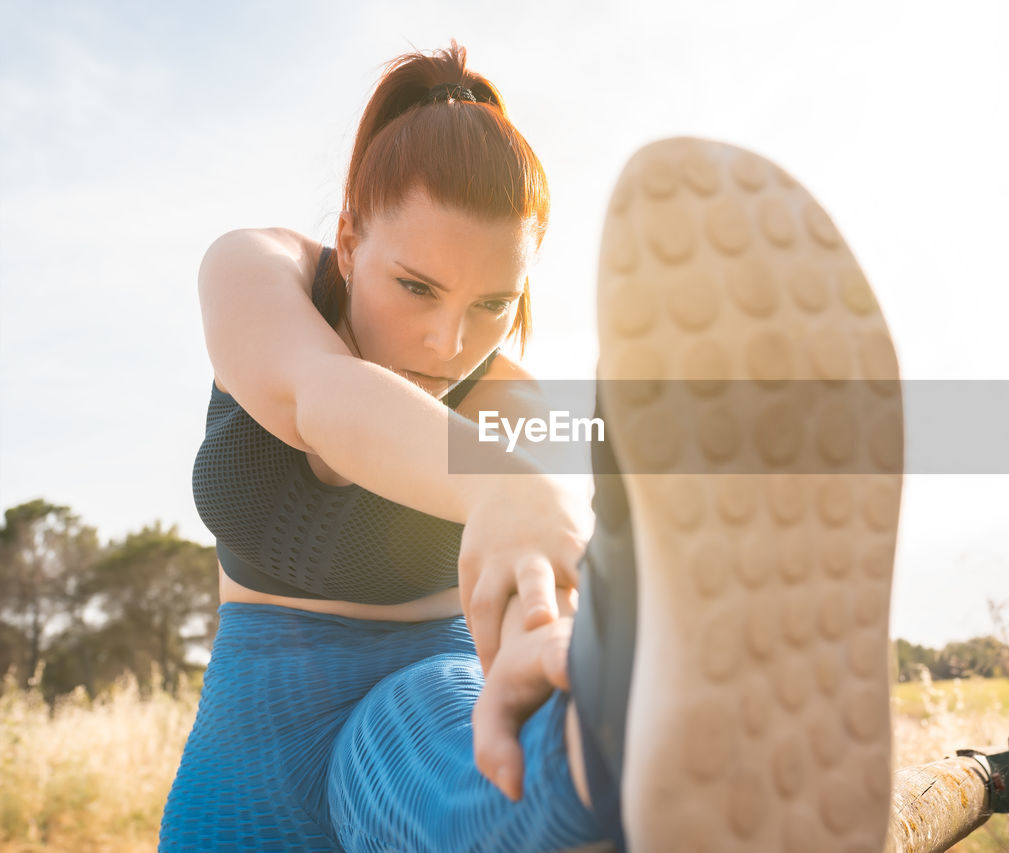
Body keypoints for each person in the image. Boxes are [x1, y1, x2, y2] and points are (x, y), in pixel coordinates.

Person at [160, 41, 903, 853]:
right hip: (246, 747)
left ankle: (613, 732)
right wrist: (496, 483)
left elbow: (538, 577)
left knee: (494, 776)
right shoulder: (258, 272)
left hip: (424, 701)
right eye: (416, 287)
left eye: (492, 303)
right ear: (347, 239)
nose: (448, 341)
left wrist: (553, 640)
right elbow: (317, 395)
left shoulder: (512, 399)